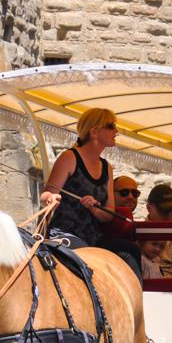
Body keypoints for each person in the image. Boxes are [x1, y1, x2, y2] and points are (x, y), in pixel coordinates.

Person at [40, 108, 141, 279]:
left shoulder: (106, 167)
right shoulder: (69, 158)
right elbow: (45, 195)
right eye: (111, 126)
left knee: (130, 250)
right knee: (85, 257)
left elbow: (108, 215)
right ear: (94, 131)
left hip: (92, 237)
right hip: (64, 234)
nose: (116, 131)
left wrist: (95, 209)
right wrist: (52, 198)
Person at [101, 174, 139, 239]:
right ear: (111, 193)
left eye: (135, 193)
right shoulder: (105, 215)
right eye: (124, 192)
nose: (130, 197)